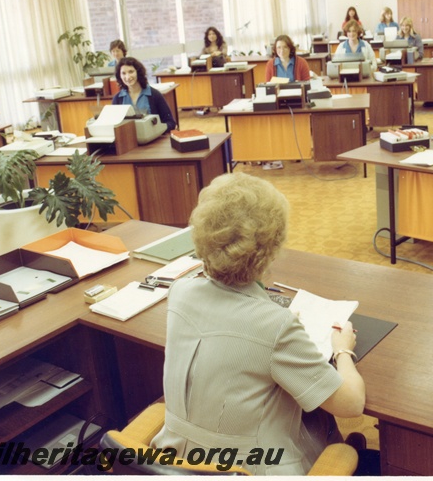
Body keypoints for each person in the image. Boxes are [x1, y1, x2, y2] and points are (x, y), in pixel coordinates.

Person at [150, 173, 366, 475]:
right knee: (325, 423)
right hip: (249, 469)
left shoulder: (180, 292)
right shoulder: (275, 326)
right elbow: (352, 404)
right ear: (271, 248)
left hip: (175, 462)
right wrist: (342, 350)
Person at [112, 57, 176, 131]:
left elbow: (171, 123)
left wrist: (157, 130)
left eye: (131, 72)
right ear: (119, 76)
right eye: (123, 73)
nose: (127, 77)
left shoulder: (154, 95)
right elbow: (114, 125)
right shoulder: (117, 99)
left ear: (138, 72)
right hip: (127, 139)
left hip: (153, 139)